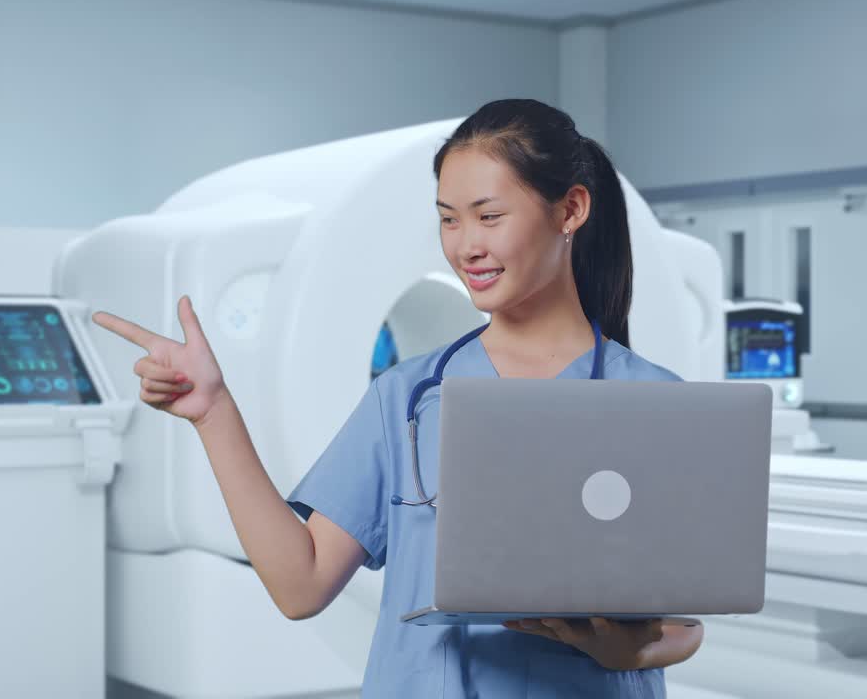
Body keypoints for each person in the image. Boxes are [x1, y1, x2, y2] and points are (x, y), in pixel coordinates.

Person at [93, 98, 704, 697]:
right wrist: (213, 412)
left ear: (570, 210)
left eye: (489, 217)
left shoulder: (652, 401)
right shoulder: (408, 398)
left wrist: (630, 649)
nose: (466, 245)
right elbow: (299, 586)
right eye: (448, 218)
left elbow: (682, 621)